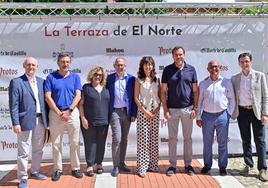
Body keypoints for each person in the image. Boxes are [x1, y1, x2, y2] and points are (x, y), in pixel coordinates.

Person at [9, 57, 48, 188]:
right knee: (23, 152)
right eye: (28, 65)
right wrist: (15, 123)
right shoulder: (16, 82)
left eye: (33, 65)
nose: (31, 67)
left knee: (38, 149)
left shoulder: (42, 82)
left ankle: (35, 171)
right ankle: (23, 178)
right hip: (24, 121)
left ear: (37, 67)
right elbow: (13, 105)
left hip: (40, 120)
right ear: (24, 66)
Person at [44, 53, 83, 181]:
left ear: (70, 63)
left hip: (72, 113)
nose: (65, 64)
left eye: (67, 62)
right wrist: (59, 112)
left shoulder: (75, 77)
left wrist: (69, 110)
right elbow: (48, 97)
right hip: (56, 114)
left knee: (75, 142)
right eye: (62, 62)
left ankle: (76, 168)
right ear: (58, 63)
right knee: (56, 144)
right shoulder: (51, 77)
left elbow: (78, 95)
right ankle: (57, 169)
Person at [161, 46, 198, 176]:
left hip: (188, 108)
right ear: (172, 56)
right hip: (172, 110)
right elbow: (163, 91)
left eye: (181, 54)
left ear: (184, 55)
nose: (179, 57)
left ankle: (188, 165)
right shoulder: (167, 70)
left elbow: (195, 91)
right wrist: (165, 110)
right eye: (176, 55)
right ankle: (172, 165)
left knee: (188, 138)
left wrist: (195, 108)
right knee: (172, 138)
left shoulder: (191, 70)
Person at [231, 52, 268, 181]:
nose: (244, 64)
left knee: (260, 141)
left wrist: (265, 113)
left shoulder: (260, 76)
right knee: (245, 140)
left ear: (251, 62)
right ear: (239, 63)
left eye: (246, 61)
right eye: (242, 62)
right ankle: (248, 164)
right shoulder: (235, 79)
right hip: (242, 112)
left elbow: (265, 96)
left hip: (256, 112)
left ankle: (262, 169)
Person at [196, 60, 235, 176]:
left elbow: (232, 99)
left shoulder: (226, 82)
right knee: (207, 143)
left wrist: (228, 113)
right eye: (212, 67)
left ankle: (222, 166)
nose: (214, 69)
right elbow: (199, 102)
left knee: (222, 143)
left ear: (220, 68)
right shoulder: (203, 84)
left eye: (216, 67)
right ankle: (207, 165)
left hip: (222, 115)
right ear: (208, 69)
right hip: (207, 116)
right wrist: (198, 116)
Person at [106, 57, 137, 177]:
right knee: (117, 139)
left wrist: (134, 113)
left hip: (127, 112)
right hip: (114, 112)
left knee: (124, 139)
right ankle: (115, 166)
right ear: (114, 66)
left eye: (122, 65)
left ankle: (122, 163)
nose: (120, 67)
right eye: (118, 65)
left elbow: (134, 98)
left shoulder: (131, 79)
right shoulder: (109, 79)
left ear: (125, 66)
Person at [79, 66, 110, 177]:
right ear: (92, 75)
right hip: (89, 121)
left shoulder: (106, 88)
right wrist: (83, 118)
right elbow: (81, 104)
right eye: (96, 74)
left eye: (100, 75)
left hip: (104, 122)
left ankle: (99, 164)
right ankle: (90, 165)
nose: (98, 76)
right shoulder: (86, 88)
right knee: (90, 143)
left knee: (101, 143)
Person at [134, 56, 161, 178]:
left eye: (150, 64)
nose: (148, 66)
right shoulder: (138, 79)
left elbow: (160, 97)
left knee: (154, 140)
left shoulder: (157, 79)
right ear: (142, 66)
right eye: (146, 64)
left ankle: (153, 165)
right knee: (143, 140)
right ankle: (142, 167)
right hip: (143, 112)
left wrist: (155, 111)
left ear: (153, 66)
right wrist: (145, 111)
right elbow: (135, 98)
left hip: (155, 112)